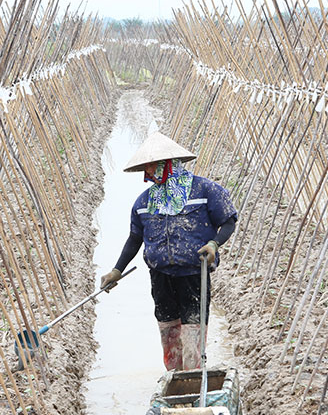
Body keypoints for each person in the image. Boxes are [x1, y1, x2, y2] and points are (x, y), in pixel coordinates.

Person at [100, 131, 237, 371]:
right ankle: (174, 377)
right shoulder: (144, 202)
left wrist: (214, 244)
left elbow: (228, 221)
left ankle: (194, 377)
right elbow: (135, 238)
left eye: (152, 167)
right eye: (146, 169)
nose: (148, 174)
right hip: (160, 275)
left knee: (193, 329)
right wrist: (116, 270)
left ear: (168, 164)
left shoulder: (204, 191)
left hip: (193, 273)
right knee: (167, 328)